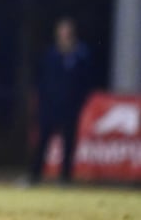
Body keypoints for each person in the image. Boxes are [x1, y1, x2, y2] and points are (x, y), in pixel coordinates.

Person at [28, 17, 95, 185]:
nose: (64, 34)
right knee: (43, 140)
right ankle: (34, 176)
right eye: (61, 31)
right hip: (49, 106)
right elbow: (42, 79)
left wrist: (79, 101)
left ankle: (65, 178)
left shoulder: (80, 54)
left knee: (68, 142)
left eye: (66, 31)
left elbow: (86, 81)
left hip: (70, 107)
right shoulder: (51, 53)